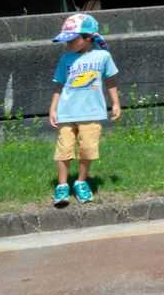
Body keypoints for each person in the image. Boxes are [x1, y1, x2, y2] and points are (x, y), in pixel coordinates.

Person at [48, 12, 120, 206]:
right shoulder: (65, 59)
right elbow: (59, 85)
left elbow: (110, 80)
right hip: (66, 112)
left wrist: (116, 103)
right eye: (67, 40)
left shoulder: (103, 57)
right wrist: (53, 108)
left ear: (88, 38)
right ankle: (62, 186)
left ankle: (81, 181)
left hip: (92, 113)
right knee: (63, 149)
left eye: (72, 40)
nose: (68, 44)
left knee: (88, 149)